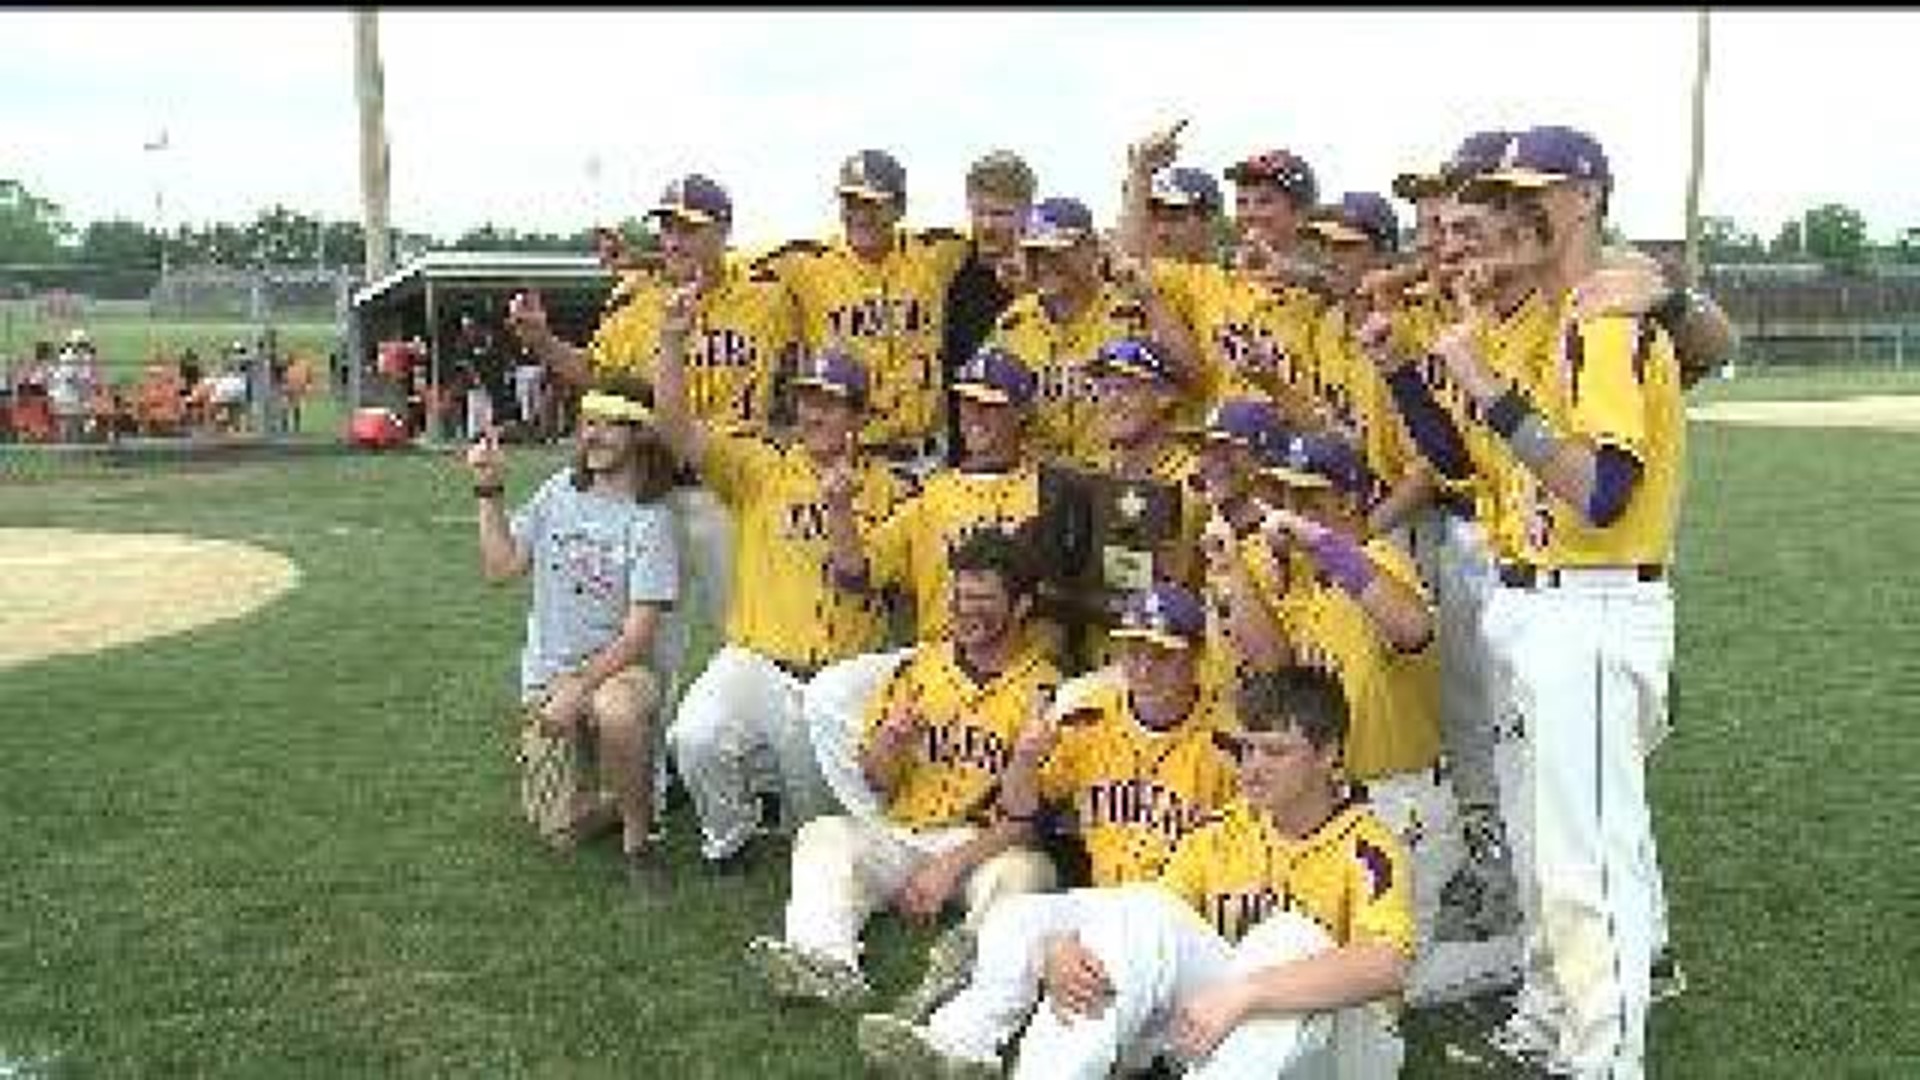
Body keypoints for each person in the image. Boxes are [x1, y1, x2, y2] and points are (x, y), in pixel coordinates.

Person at [1387, 125, 1684, 1077]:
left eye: (1537, 193)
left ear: (1588, 198)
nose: (1513, 212)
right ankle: (1557, 1027)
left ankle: (1603, 1062)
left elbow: (1601, 488)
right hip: (1542, 602)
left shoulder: (1604, 319)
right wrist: (1422, 369)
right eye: (1501, 197)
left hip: (1593, 604)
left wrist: (1487, 388)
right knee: (1559, 855)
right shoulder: (1545, 324)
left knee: (1589, 867)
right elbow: (1464, 465)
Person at [856, 582, 1240, 1074]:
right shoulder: (1090, 719)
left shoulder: (1232, 746)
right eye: (1132, 651)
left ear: (1196, 658)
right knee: (1013, 918)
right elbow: (1020, 814)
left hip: (1181, 927)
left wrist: (1073, 944)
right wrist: (1025, 759)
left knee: (1097, 954)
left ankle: (1112, 1050)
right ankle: (957, 1044)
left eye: (1161, 656)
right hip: (1109, 905)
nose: (1143, 669)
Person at [649, 282, 909, 873]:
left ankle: (804, 825)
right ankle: (729, 835)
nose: (814, 412)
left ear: (859, 415)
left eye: (832, 401)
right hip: (758, 662)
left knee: (821, 828)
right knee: (694, 736)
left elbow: (866, 580)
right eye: (805, 398)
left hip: (839, 680)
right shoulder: (759, 466)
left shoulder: (894, 489)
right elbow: (674, 429)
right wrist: (671, 339)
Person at [745, 527, 1061, 1010]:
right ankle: (826, 964)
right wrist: (890, 743)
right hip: (904, 832)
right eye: (959, 595)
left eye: (983, 598)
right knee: (824, 836)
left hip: (983, 850)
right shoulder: (921, 667)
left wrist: (949, 867)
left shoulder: (1045, 690)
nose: (964, 609)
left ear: (1020, 607)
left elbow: (1031, 826)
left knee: (1028, 874)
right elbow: (877, 780)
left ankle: (958, 975)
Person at [464, 376, 681, 887]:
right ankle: (640, 781)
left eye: (610, 425)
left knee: (616, 710)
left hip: (618, 674)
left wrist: (579, 688)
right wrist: (489, 489)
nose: (595, 435)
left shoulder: (651, 520)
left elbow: (637, 637)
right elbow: (501, 568)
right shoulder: (558, 492)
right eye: (588, 423)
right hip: (549, 676)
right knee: (558, 831)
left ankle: (637, 835)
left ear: (641, 435)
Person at [758, 149, 974, 477]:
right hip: (847, 458)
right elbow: (722, 268)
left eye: (872, 203)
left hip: (926, 459)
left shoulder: (938, 252)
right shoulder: (803, 264)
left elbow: (1000, 242)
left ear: (900, 207)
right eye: (851, 202)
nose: (860, 214)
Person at [939, 151, 1039, 463]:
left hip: (1034, 452)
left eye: (1001, 214)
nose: (987, 225)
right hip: (963, 453)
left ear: (1027, 213)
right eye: (979, 212)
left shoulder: (1050, 276)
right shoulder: (951, 269)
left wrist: (1028, 292)